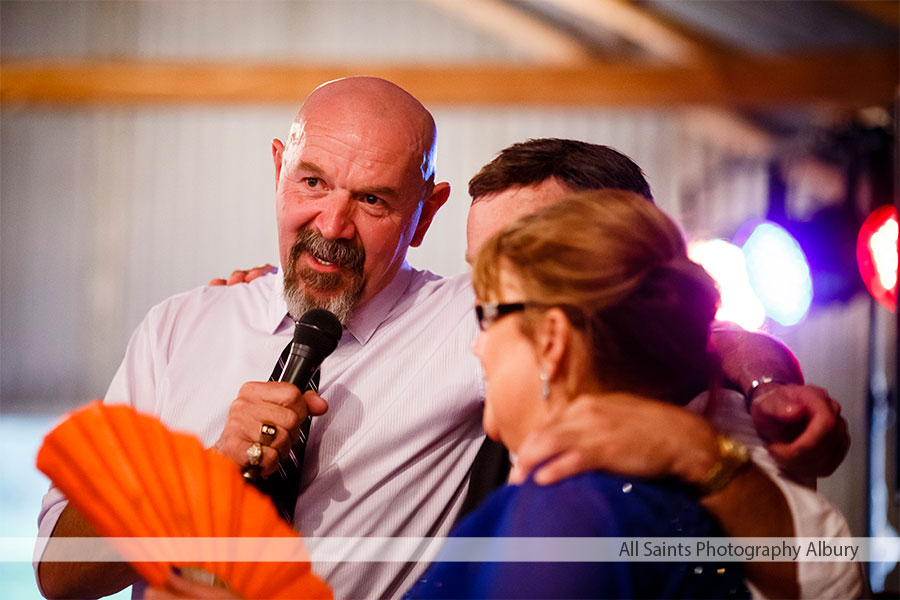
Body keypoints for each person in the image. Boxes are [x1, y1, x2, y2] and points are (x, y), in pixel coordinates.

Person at [35, 81, 858, 599]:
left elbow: (662, 319)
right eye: (312, 183)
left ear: (426, 211)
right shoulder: (178, 328)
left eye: (375, 201)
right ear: (278, 166)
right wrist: (200, 477)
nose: (332, 226)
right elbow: (57, 577)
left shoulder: (481, 312)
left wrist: (762, 384)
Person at [408, 190, 750, 599]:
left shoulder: (568, 509)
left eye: (488, 314)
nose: (476, 346)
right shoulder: (643, 494)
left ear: (552, 340)